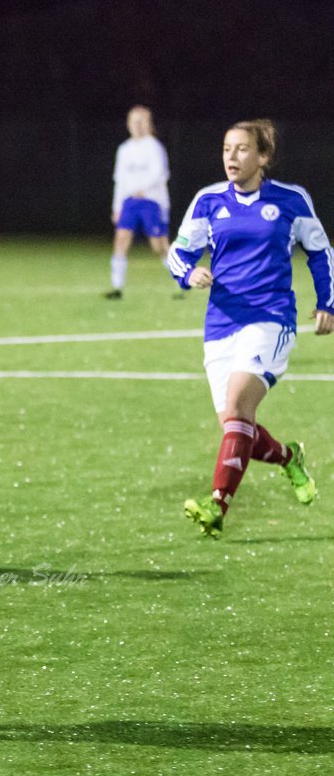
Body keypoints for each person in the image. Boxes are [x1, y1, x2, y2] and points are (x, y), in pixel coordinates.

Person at [168, 119, 331, 538]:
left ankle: (217, 504)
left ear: (263, 158)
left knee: (240, 405)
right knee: (236, 426)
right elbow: (179, 253)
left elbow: (321, 251)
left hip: (270, 318)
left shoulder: (291, 201)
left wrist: (327, 302)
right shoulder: (208, 200)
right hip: (221, 324)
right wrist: (189, 274)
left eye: (242, 149)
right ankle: (289, 458)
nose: (231, 157)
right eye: (226, 149)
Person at [106, 105, 171, 299]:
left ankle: (182, 278)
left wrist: (143, 189)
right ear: (128, 124)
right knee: (121, 239)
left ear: (148, 123)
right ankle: (117, 287)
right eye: (133, 121)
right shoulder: (124, 149)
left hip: (152, 201)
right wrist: (117, 207)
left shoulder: (154, 147)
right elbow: (119, 180)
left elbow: (160, 173)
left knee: (158, 246)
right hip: (129, 202)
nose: (137, 125)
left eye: (141, 121)